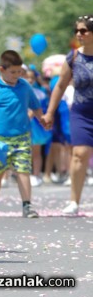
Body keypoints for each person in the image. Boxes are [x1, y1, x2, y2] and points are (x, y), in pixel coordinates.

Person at [0, 50, 44, 219]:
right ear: (2, 69)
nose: (17, 75)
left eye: (19, 72)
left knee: (23, 170)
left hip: (21, 136)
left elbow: (35, 106)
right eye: (13, 72)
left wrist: (43, 119)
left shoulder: (25, 86)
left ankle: (27, 205)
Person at [43, 15, 93, 215]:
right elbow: (60, 86)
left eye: (84, 30)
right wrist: (49, 113)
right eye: (77, 31)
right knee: (79, 154)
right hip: (81, 113)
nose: (79, 34)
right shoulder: (72, 58)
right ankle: (74, 201)